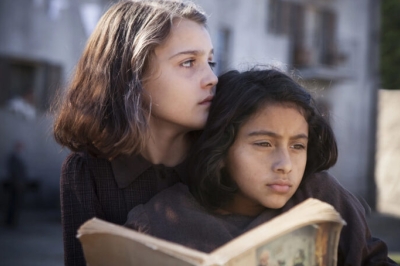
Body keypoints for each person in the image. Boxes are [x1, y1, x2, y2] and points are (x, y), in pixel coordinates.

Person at [125, 68, 396, 265]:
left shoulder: (319, 197)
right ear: (220, 149)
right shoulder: (158, 221)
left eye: (297, 146)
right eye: (264, 144)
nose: (285, 165)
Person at [53, 0, 218, 266]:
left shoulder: (226, 154)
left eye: (210, 62)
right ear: (132, 74)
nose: (212, 79)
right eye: (188, 62)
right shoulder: (85, 172)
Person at [4, 141, 28, 227]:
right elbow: (13, 172)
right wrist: (17, 182)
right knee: (12, 203)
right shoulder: (13, 158)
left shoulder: (19, 158)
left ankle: (13, 221)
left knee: (16, 204)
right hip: (14, 185)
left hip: (18, 184)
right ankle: (9, 221)